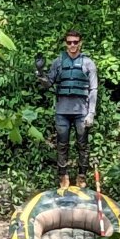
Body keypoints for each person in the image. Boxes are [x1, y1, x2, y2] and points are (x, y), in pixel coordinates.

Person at [36, 30, 98, 188]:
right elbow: (48, 83)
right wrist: (40, 72)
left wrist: (91, 113)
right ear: (65, 43)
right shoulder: (58, 62)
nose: (72, 45)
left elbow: (93, 89)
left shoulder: (88, 63)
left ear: (80, 43)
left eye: (75, 42)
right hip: (62, 111)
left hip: (81, 112)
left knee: (82, 145)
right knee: (62, 144)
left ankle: (82, 176)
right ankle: (63, 177)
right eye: (69, 42)